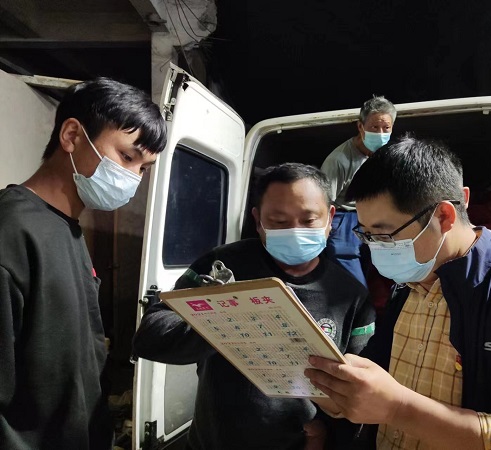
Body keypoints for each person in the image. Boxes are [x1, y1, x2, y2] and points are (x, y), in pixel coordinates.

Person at [306, 136, 491, 450]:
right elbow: (379, 381)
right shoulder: (407, 286)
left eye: (384, 235)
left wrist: (399, 409)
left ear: (444, 216)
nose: (374, 248)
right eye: (366, 235)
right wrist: (339, 394)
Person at [132, 163, 376, 450]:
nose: (295, 231)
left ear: (330, 218)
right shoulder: (223, 265)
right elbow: (151, 334)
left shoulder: (350, 296)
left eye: (308, 220)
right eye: (279, 221)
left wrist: (325, 429)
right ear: (258, 220)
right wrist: (224, 323)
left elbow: (361, 388)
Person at [0, 78, 167, 450]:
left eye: (144, 168)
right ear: (72, 135)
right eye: (127, 157)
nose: (133, 178)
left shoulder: (67, 228)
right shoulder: (12, 232)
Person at [321, 95, 396, 287]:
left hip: (374, 211)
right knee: (346, 260)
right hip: (345, 214)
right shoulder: (339, 160)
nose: (380, 133)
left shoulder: (387, 154)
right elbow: (323, 202)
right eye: (374, 127)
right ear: (360, 127)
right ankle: (359, 300)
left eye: (386, 128)